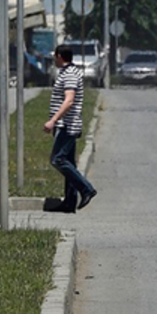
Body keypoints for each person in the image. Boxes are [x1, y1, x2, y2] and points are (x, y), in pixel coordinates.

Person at [42, 44, 96, 212]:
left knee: (58, 159)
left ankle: (86, 189)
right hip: (65, 123)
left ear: (59, 56)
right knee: (69, 162)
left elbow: (69, 100)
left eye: (55, 57)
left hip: (67, 124)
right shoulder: (66, 73)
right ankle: (69, 202)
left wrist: (53, 120)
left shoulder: (70, 74)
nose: (54, 60)